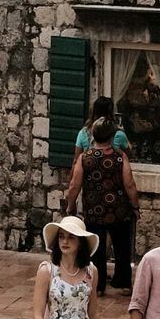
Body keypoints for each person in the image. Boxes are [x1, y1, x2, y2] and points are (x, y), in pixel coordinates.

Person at [65, 108, 140, 294]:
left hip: (94, 209)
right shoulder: (119, 157)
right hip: (119, 209)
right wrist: (135, 206)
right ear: (112, 136)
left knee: (96, 248)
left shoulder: (85, 158)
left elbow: (75, 185)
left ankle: (97, 286)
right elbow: (129, 183)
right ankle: (122, 283)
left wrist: (71, 205)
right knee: (122, 246)